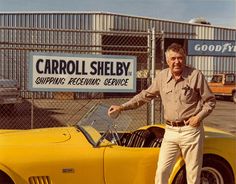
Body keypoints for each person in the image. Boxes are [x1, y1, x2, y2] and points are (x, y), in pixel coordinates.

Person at [107, 43, 216, 184]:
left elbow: (210, 101)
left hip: (191, 131)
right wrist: (122, 107)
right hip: (170, 132)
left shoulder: (195, 75)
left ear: (184, 58)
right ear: (167, 60)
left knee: (193, 174)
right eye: (173, 58)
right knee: (162, 171)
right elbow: (144, 96)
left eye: (180, 58)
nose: (177, 61)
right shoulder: (162, 77)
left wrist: (199, 117)